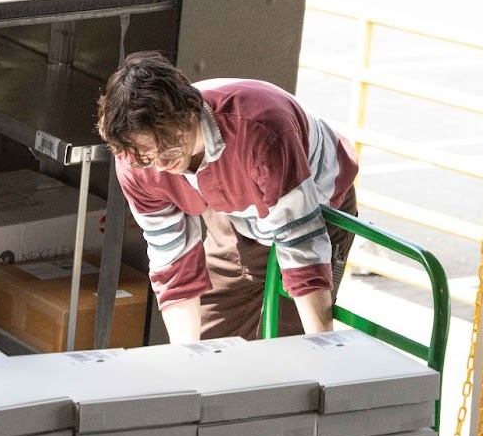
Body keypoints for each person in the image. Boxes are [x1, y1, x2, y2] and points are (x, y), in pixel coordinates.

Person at [95, 50, 359, 343]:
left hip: (316, 202)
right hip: (234, 210)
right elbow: (172, 261)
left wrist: (322, 351)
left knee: (288, 346)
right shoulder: (136, 161)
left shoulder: (261, 129)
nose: (161, 164)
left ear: (190, 110)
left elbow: (303, 245)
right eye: (147, 156)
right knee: (209, 344)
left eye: (168, 145)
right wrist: (187, 359)